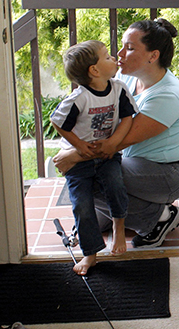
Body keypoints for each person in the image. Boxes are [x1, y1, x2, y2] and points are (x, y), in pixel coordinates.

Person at [54, 18, 179, 249]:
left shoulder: (168, 96)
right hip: (132, 163)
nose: (119, 53)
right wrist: (73, 144)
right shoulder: (127, 80)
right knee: (89, 179)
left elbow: (114, 144)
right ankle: (108, 214)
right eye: (121, 46)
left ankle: (160, 217)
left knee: (88, 174)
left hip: (168, 174)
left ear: (153, 56)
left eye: (129, 48)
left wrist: (74, 156)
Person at [50, 40, 139, 275]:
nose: (113, 58)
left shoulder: (119, 89)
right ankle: (90, 254)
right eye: (107, 55)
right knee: (82, 206)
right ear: (94, 70)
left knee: (116, 187)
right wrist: (78, 146)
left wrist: (113, 142)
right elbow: (58, 122)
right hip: (79, 164)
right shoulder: (79, 98)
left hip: (108, 156)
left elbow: (128, 118)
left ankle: (118, 228)